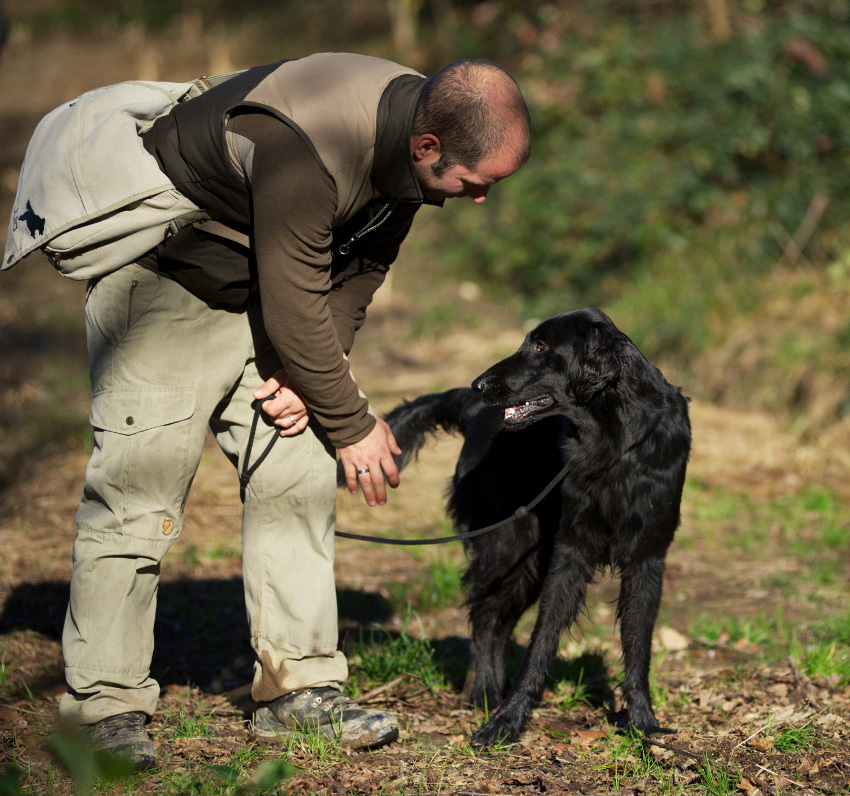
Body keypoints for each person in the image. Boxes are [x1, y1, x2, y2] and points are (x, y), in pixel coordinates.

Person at [58, 52, 530, 769]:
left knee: (299, 475)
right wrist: (352, 423)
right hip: (164, 290)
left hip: (274, 301)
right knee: (135, 496)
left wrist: (308, 380)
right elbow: (295, 291)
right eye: (477, 182)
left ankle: (299, 688)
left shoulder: (413, 143)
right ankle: (103, 708)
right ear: (429, 146)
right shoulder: (311, 143)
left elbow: (359, 271)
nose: (480, 198)